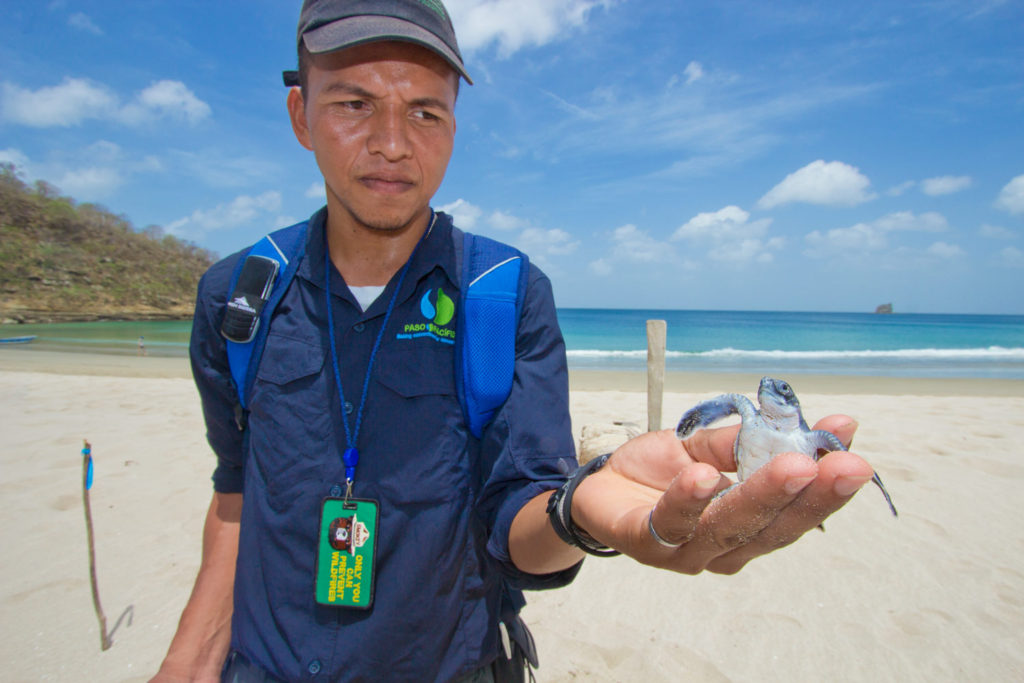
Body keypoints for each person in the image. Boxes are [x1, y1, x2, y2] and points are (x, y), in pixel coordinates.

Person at [154, 1, 878, 681]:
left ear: (454, 125)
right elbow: (238, 489)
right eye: (353, 102)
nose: (392, 143)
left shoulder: (503, 293)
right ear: (300, 114)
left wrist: (581, 509)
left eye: (425, 111)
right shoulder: (238, 298)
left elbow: (520, 522)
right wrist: (186, 658)